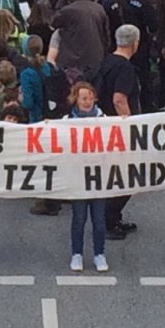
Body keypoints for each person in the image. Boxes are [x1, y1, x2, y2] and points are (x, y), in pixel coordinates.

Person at [96, 24, 143, 239]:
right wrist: (129, 127)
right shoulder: (125, 68)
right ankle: (109, 219)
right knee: (129, 177)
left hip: (103, 127)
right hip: (118, 131)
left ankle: (113, 218)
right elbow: (119, 99)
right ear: (135, 43)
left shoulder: (106, 61)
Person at [65, 81, 110, 271]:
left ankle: (99, 254)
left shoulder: (105, 119)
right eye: (84, 98)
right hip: (78, 178)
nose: (88, 102)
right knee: (79, 218)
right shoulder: (66, 121)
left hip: (98, 178)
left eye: (91, 98)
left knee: (99, 220)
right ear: (76, 99)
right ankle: (77, 254)